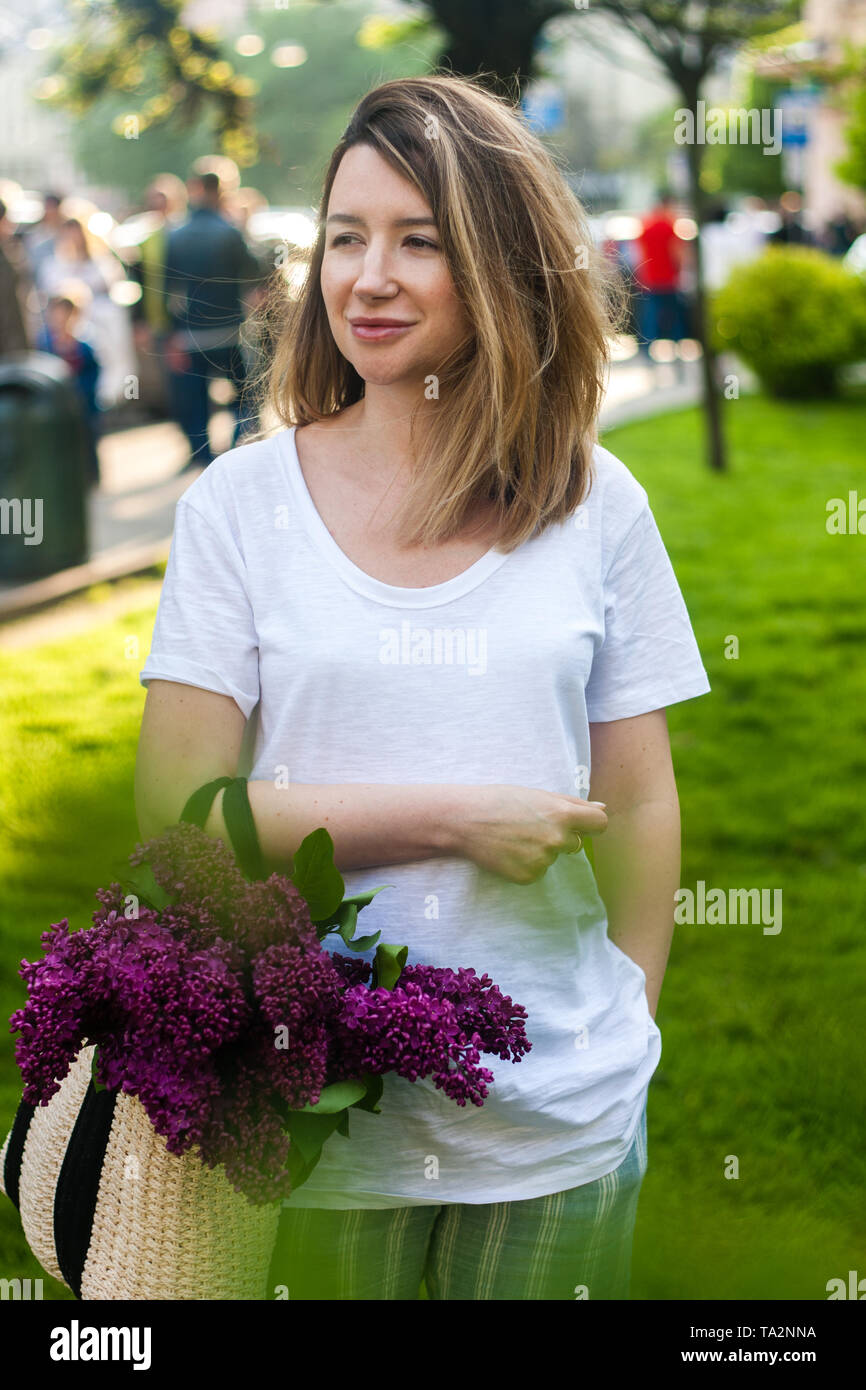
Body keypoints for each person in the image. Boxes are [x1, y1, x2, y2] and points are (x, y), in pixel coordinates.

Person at [136, 74, 711, 1301]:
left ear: (501, 266)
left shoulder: (597, 504)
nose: (366, 277)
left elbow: (640, 798)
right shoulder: (238, 508)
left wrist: (630, 1025)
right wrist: (448, 815)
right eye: (344, 237)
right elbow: (178, 819)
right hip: (311, 1135)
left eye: (418, 241)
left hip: (554, 1124)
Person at [162, 170, 265, 467]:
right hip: (230, 329)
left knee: (194, 401)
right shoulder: (230, 232)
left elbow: (169, 291)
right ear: (221, 191)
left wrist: (173, 334)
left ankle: (201, 456)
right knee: (245, 396)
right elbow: (253, 278)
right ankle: (237, 450)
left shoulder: (176, 235)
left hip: (191, 332)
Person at [634, 190, 686, 356]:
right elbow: (676, 253)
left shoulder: (646, 225)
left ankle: (647, 348)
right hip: (669, 277)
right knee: (674, 314)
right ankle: (677, 347)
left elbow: (639, 254)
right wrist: (682, 270)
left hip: (650, 278)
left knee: (651, 314)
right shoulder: (669, 225)